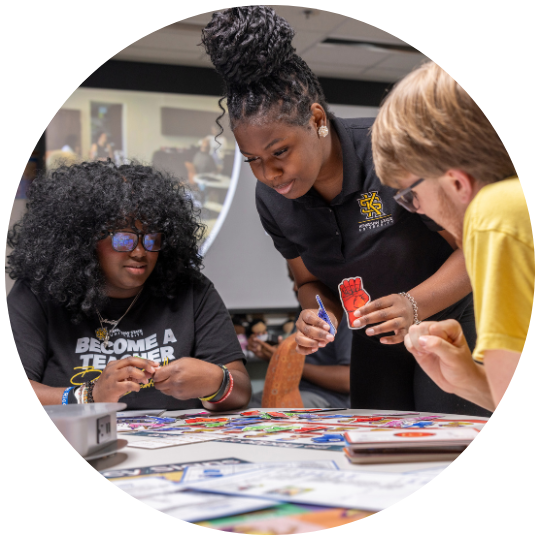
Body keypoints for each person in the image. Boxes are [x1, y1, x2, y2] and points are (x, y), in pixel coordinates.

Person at [202, 5, 487, 415]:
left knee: (451, 437)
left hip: (451, 323)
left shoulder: (388, 151)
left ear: (316, 118)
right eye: (253, 160)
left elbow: (475, 249)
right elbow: (308, 281)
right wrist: (318, 316)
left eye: (279, 152)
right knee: (376, 439)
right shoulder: (272, 200)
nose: (269, 173)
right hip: (374, 336)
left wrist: (413, 304)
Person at [7, 160, 251, 411]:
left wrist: (216, 382)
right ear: (84, 239)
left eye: (152, 238)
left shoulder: (191, 290)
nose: (140, 251)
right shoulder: (37, 293)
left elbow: (241, 389)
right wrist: (88, 396)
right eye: (124, 239)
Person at [370, 61, 533, 411]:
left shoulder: (495, 213)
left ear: (457, 182)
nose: (417, 210)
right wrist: (470, 380)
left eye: (411, 196)